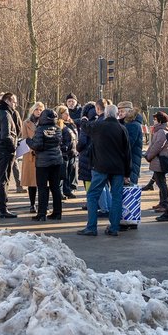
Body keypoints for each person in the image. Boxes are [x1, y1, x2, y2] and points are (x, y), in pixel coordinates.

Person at [77, 104, 131, 237]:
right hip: (118, 169)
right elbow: (127, 152)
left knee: (92, 195)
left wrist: (83, 119)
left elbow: (85, 127)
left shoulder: (98, 126)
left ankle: (91, 227)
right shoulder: (122, 129)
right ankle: (114, 228)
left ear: (106, 114)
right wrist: (127, 173)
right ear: (117, 114)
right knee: (117, 197)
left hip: (100, 167)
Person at [29, 108, 64, 221]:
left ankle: (42, 214)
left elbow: (37, 145)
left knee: (42, 188)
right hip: (57, 161)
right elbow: (59, 142)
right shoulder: (58, 129)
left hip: (43, 163)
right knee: (55, 187)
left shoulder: (40, 129)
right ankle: (57, 212)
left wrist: (28, 141)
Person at [0, 92, 20, 219]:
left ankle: (2, 207)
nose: (15, 104)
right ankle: (2, 209)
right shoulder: (5, 114)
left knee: (1, 179)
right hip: (4, 151)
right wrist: (13, 148)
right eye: (14, 101)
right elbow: (6, 135)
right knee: (3, 180)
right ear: (7, 101)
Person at [145, 111, 168, 212]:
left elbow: (157, 146)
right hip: (157, 160)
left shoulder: (161, 131)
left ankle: (164, 204)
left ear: (160, 121)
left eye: (155, 119)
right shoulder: (160, 130)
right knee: (160, 182)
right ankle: (162, 202)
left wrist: (149, 156)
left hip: (159, 160)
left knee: (161, 183)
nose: (154, 121)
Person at [21, 102, 44, 214]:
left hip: (43, 154)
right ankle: (32, 204)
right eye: (37, 109)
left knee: (43, 182)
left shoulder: (45, 122)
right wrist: (32, 148)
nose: (38, 112)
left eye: (40, 110)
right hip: (30, 155)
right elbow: (24, 138)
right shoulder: (26, 122)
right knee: (32, 182)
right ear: (33, 110)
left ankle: (42, 204)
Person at [117, 101, 144, 185]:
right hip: (128, 161)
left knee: (129, 187)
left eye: (122, 111)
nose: (120, 114)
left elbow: (128, 144)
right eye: (119, 112)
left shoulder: (133, 125)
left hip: (131, 161)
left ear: (129, 112)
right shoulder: (125, 123)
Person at [55, 105, 79, 198]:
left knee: (69, 173)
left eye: (68, 113)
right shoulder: (59, 125)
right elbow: (58, 139)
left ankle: (67, 190)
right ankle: (59, 192)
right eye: (65, 113)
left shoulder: (70, 123)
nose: (68, 115)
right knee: (61, 174)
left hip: (72, 152)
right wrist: (64, 148)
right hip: (64, 153)